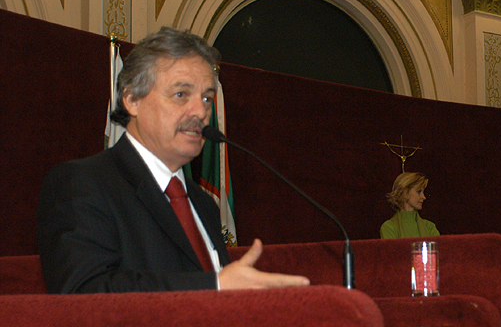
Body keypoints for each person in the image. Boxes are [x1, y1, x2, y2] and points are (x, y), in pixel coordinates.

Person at [36, 27, 310, 294]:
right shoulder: (82, 184)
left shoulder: (203, 204)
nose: (201, 111)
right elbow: (84, 292)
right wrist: (214, 285)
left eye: (206, 97)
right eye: (181, 95)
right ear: (132, 100)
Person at [380, 172, 440, 239]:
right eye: (419, 191)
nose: (423, 197)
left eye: (423, 192)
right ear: (405, 192)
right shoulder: (389, 228)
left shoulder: (430, 227)